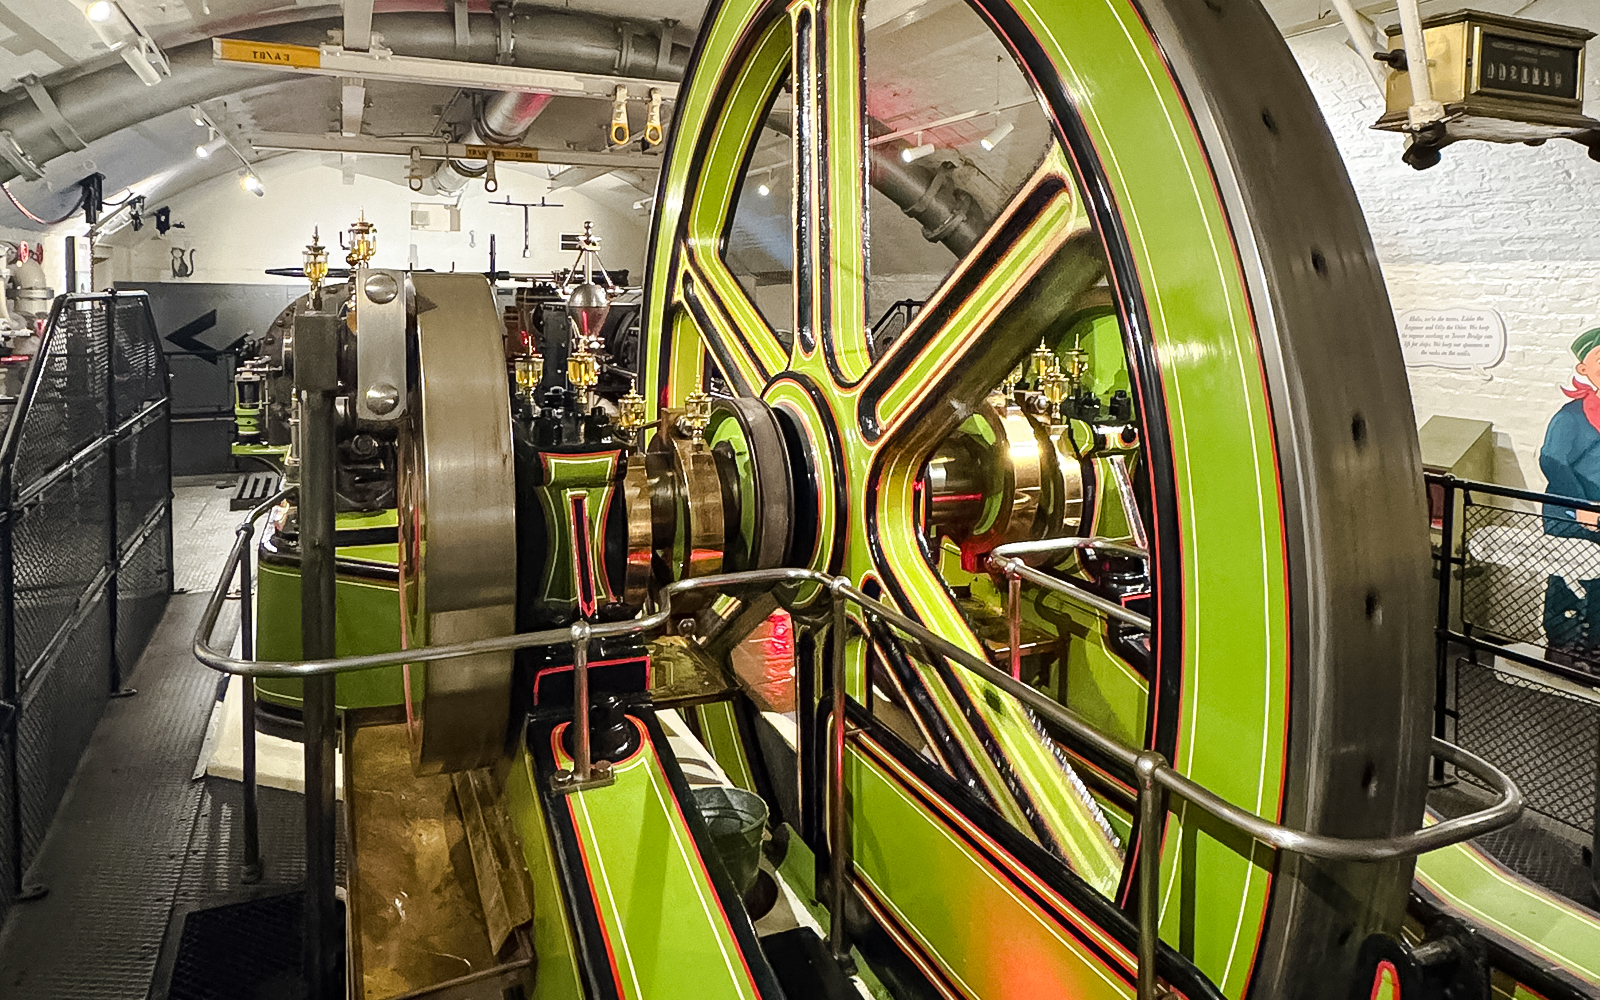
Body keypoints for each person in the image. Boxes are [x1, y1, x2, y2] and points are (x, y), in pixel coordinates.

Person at [1538, 326, 1600, 667]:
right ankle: (1564, 646)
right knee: (1572, 575)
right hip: (1569, 514)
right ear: (1583, 368)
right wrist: (1579, 507)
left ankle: (1595, 646)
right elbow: (1552, 460)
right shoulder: (1571, 416)